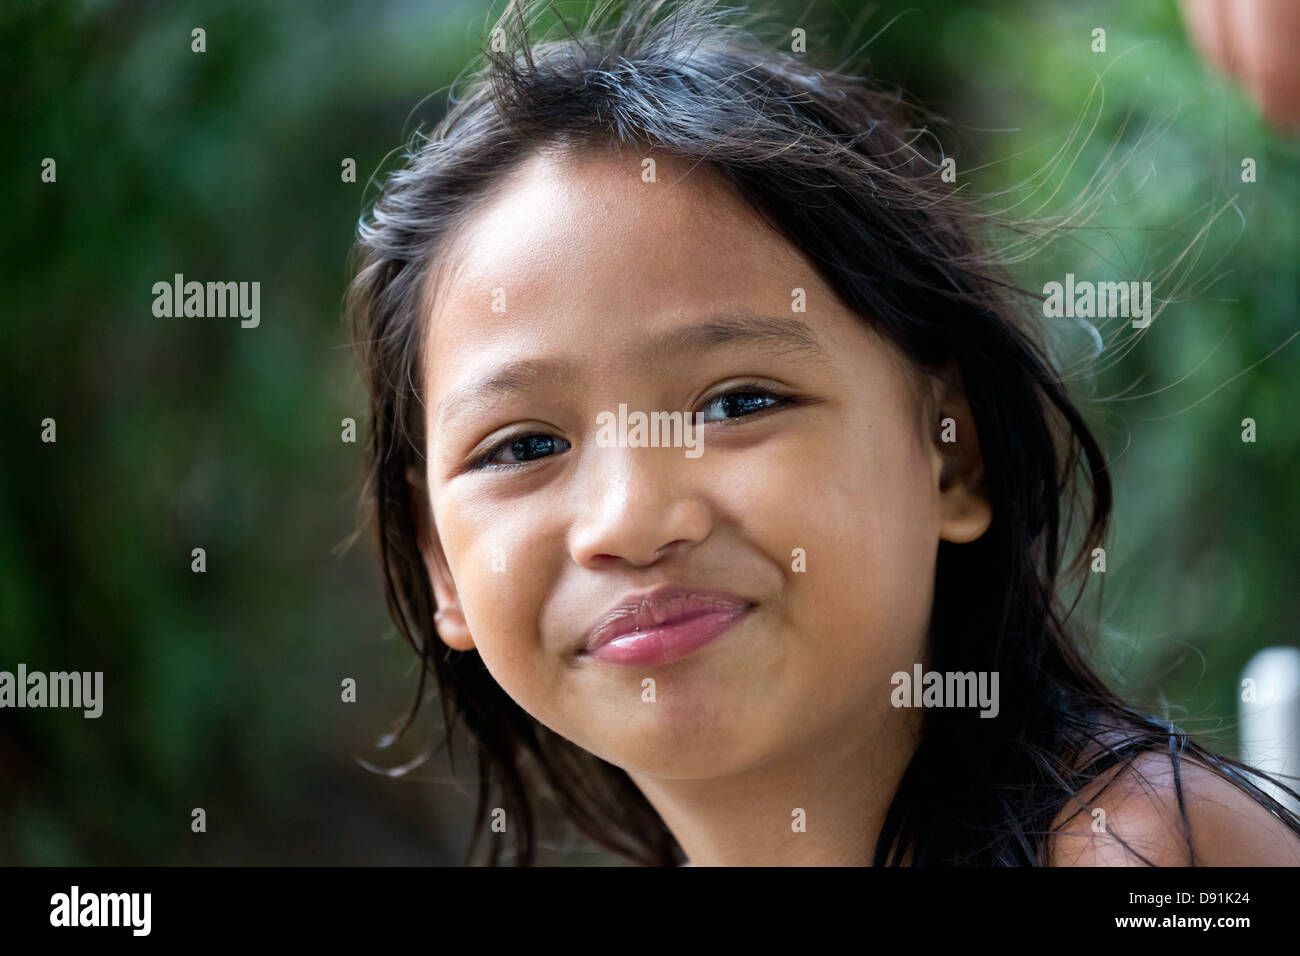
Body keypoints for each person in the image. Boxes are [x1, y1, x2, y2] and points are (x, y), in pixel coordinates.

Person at [345, 0, 1300, 865]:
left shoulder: (1142, 859)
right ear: (439, 562)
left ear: (951, 456)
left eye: (738, 403)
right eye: (523, 446)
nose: (631, 521)